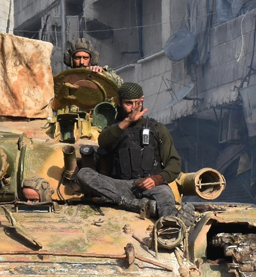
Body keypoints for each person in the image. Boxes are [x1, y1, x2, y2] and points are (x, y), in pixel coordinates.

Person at [73, 82, 183, 216]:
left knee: (165, 194)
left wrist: (157, 179)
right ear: (119, 103)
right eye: (128, 103)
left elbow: (174, 163)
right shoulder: (115, 129)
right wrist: (127, 122)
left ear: (142, 100)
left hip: (151, 186)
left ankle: (170, 225)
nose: (133, 108)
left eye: (137, 103)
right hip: (121, 187)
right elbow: (103, 141)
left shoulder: (157, 129)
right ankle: (131, 204)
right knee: (84, 174)